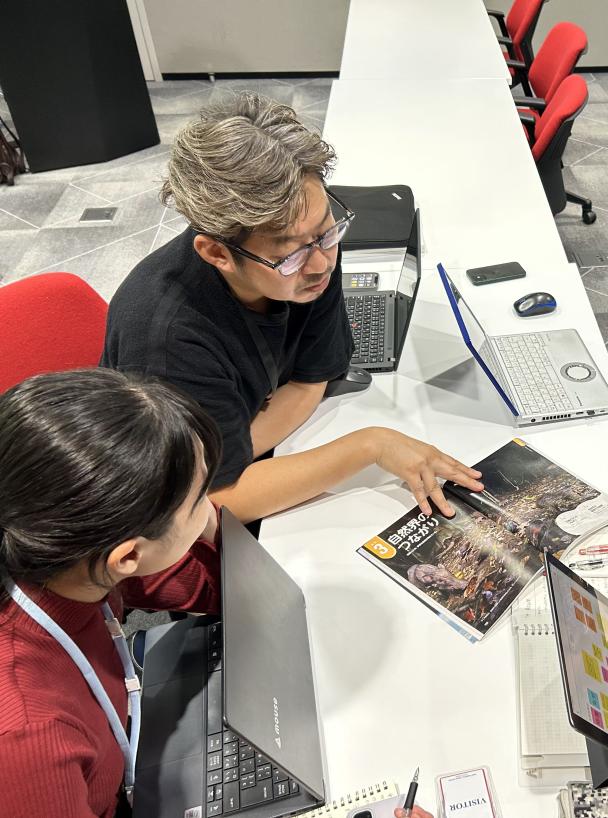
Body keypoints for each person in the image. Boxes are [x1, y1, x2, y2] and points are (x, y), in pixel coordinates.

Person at [0, 368, 438, 818]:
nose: (213, 504)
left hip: (135, 730)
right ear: (127, 556)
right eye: (199, 500)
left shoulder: (66, 552)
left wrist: (204, 530)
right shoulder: (29, 740)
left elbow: (224, 594)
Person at [102, 92, 482, 524]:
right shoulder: (166, 340)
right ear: (218, 254)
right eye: (290, 256)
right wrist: (370, 446)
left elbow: (310, 379)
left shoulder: (308, 250)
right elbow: (213, 504)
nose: (321, 264)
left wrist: (235, 450)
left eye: (327, 232)